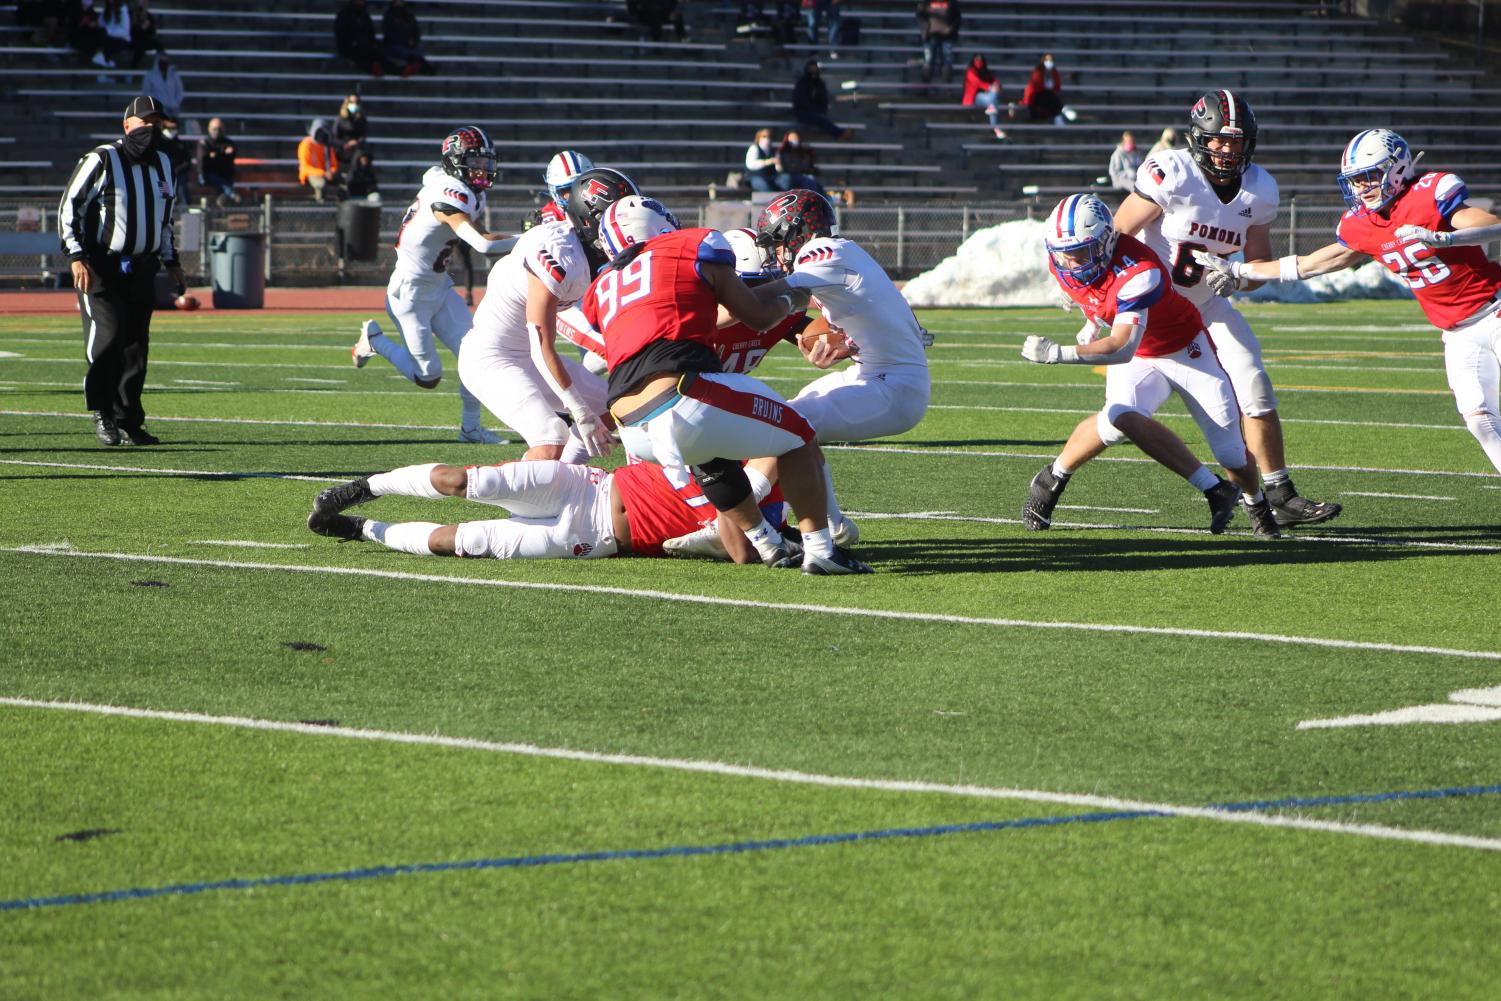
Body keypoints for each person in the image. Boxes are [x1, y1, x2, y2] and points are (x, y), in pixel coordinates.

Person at [581, 196, 871, 574]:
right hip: (682, 394)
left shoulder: (602, 284)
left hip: (631, 424)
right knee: (799, 434)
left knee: (711, 456)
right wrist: (792, 296)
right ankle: (823, 551)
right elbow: (758, 315)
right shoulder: (694, 245)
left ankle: (768, 545)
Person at [1196, 128, 1501, 475]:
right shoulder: (1363, 225)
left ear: (1397, 168)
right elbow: (1310, 264)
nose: (1362, 188)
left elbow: (1491, 225)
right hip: (1456, 332)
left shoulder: (1428, 195)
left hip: (1495, 310)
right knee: (1480, 420)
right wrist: (1239, 269)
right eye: (1356, 180)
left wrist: (1443, 238)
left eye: (1370, 176)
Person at [1114, 90, 1339, 526]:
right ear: (1198, 137)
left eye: (1235, 141)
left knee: (1254, 383)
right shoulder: (1171, 173)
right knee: (1123, 413)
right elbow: (1118, 237)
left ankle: (1282, 493)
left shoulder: (1260, 188)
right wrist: (1103, 303)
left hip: (1209, 304)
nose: (1226, 149)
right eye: (1218, 140)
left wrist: (1238, 276)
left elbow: (1257, 269)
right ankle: (1056, 477)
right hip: (1156, 309)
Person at [1019, 194, 1280, 538]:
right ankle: (1051, 479)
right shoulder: (1063, 261)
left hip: (1184, 349)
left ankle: (1256, 503)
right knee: (1118, 416)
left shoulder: (1140, 271)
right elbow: (1093, 295)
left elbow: (1122, 347)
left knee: (1230, 452)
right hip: (1143, 353)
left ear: (1105, 242)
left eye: (1080, 251)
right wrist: (1092, 319)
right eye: (1064, 252)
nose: (1070, 260)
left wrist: (1058, 353)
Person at [757, 189, 933, 546]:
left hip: (893, 385)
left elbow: (771, 295)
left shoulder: (825, 252)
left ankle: (735, 510)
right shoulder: (842, 255)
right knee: (791, 413)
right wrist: (843, 345)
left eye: (778, 242)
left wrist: (719, 295)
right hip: (878, 373)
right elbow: (880, 318)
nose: (777, 253)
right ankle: (832, 524)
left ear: (797, 233)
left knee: (789, 423)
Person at [351, 127, 515, 443]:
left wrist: (524, 237)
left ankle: (470, 429)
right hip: (409, 295)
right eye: (474, 161)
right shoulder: (448, 196)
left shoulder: (466, 190)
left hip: (439, 287)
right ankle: (374, 340)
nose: (482, 169)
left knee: (477, 354)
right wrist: (534, 238)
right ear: (455, 162)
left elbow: (483, 233)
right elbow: (482, 244)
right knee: (428, 377)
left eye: (485, 161)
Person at [457, 166, 630, 463]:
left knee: (624, 405)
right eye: (616, 220)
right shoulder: (560, 252)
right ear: (590, 220)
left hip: (529, 355)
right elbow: (541, 343)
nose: (624, 230)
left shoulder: (593, 254)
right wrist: (579, 410)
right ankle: (490, 487)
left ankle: (558, 488)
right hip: (492, 358)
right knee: (551, 439)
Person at [306, 458, 771, 564]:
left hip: (592, 541)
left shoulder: (773, 523)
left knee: (459, 541)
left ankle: (360, 529)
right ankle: (361, 489)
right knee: (466, 482)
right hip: (587, 486)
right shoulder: (743, 447)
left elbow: (741, 553)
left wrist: (734, 506)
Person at [58, 95, 184, 448]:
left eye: (157, 123)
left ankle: (129, 420)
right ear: (127, 125)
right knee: (109, 337)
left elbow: (164, 219)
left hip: (142, 267)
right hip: (101, 265)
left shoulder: (163, 163)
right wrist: (76, 255)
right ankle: (103, 413)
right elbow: (70, 206)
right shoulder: (102, 159)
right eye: (145, 122)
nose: (152, 129)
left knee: (135, 348)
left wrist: (172, 261)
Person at [791, 60, 849, 142]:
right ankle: (840, 133)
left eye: (815, 71)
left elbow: (823, 99)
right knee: (819, 118)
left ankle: (840, 134)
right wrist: (814, 110)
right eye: (812, 71)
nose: (814, 74)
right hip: (802, 112)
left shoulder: (820, 84)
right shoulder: (802, 83)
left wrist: (820, 110)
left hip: (816, 111)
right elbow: (801, 101)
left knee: (820, 117)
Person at [335, 0, 388, 77]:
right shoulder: (344, 14)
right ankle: (373, 69)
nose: (361, 2)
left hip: (364, 44)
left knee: (379, 48)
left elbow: (370, 31)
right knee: (361, 53)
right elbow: (341, 33)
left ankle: (384, 68)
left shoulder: (364, 15)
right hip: (350, 46)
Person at [915, 0, 960, 85]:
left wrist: (951, 29)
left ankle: (947, 87)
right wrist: (926, 27)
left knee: (947, 60)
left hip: (947, 36)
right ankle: (925, 87)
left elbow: (957, 17)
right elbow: (919, 15)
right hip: (931, 35)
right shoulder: (926, 2)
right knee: (929, 60)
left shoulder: (952, 2)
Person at [383, 0, 433, 76]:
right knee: (408, 54)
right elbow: (389, 34)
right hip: (394, 45)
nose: (399, 3)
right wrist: (406, 41)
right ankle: (409, 69)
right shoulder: (389, 16)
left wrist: (414, 41)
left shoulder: (409, 16)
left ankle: (424, 68)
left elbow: (416, 31)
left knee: (417, 53)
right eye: (397, 2)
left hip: (409, 45)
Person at [195, 117, 237, 205]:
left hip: (224, 173)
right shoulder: (204, 142)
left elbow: (230, 158)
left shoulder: (228, 142)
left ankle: (224, 201)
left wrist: (215, 155)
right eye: (215, 129)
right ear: (209, 129)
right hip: (206, 175)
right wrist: (222, 153)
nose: (217, 131)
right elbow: (204, 160)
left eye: (219, 128)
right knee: (216, 178)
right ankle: (231, 194)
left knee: (225, 178)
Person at [962, 54, 1005, 140]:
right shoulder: (970, 72)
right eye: (977, 60)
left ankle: (994, 126)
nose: (979, 62)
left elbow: (994, 80)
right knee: (993, 100)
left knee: (993, 102)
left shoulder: (986, 72)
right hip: (975, 97)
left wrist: (997, 85)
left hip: (987, 96)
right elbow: (977, 83)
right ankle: (994, 127)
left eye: (980, 60)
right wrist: (990, 87)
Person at [297, 118, 340, 202]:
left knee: (344, 183)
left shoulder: (326, 145)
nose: (321, 135)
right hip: (311, 174)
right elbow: (305, 167)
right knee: (321, 184)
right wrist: (323, 173)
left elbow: (333, 164)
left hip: (326, 173)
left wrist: (331, 172)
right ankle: (320, 208)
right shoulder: (306, 144)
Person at [1018, 53, 1065, 125]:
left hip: (1049, 93)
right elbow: (1035, 85)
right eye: (1047, 60)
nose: (1049, 62)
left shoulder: (1054, 71)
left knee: (1057, 104)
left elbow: (1057, 84)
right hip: (1038, 93)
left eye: (1051, 60)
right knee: (1055, 103)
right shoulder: (1038, 71)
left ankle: (1054, 119)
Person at [139, 49, 182, 120]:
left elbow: (180, 90)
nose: (163, 63)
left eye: (165, 61)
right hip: (158, 109)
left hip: (173, 108)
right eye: (162, 61)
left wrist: (175, 102)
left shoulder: (174, 75)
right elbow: (146, 92)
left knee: (173, 128)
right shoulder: (150, 75)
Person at [775, 130, 822, 194]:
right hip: (787, 174)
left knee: (809, 180)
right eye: (791, 138)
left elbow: (806, 165)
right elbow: (783, 167)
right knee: (786, 179)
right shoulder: (782, 151)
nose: (794, 140)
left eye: (795, 138)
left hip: (801, 174)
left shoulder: (805, 151)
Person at [744, 128, 779, 193]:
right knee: (764, 186)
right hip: (755, 177)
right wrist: (767, 162)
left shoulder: (774, 150)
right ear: (759, 137)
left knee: (784, 182)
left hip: (770, 177)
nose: (767, 139)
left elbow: (778, 168)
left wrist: (779, 164)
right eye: (764, 136)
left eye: (769, 137)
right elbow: (751, 164)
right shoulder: (754, 148)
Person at [334, 94, 367, 158]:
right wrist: (345, 144)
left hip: (357, 151)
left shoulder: (362, 119)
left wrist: (356, 142)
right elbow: (335, 136)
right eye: (351, 102)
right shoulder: (340, 119)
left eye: (356, 102)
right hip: (341, 151)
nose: (354, 104)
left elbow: (363, 135)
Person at [128, 0, 158, 67]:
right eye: (142, 1)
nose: (144, 3)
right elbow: (131, 31)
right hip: (133, 40)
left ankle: (160, 65)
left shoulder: (149, 16)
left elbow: (153, 31)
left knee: (158, 44)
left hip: (145, 39)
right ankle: (132, 67)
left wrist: (148, 27)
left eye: (145, 2)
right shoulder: (131, 14)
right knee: (141, 47)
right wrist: (141, 28)